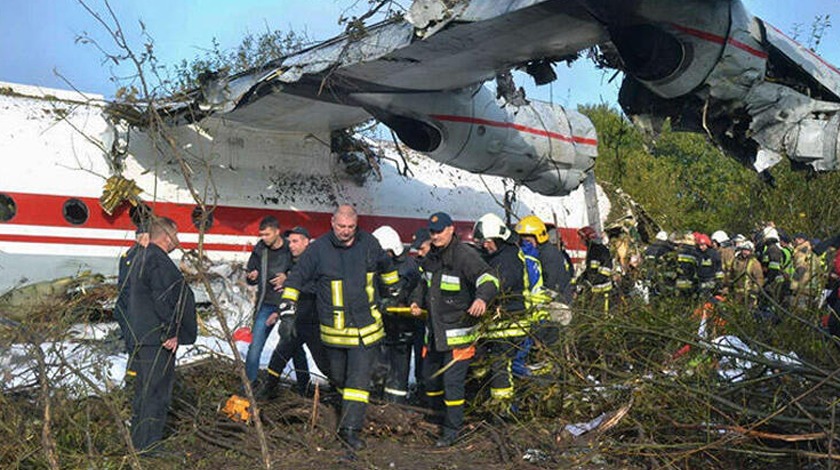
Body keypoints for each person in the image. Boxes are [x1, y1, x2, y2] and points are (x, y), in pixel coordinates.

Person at [279, 205, 399, 451]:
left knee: (357, 382)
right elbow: (296, 278)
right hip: (334, 332)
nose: (346, 232)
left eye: (351, 227)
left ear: (357, 224)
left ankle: (350, 432)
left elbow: (387, 268)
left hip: (367, 329)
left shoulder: (369, 243)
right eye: (341, 226)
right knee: (338, 377)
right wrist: (287, 312)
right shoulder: (318, 250)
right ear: (332, 223)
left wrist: (393, 292)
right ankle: (347, 412)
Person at [410, 211, 498, 447]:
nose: (435, 236)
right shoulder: (431, 258)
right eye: (432, 232)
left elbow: (489, 278)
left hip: (459, 336)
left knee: (452, 385)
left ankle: (451, 431)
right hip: (436, 335)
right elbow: (422, 283)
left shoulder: (464, 256)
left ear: (451, 229)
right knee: (430, 380)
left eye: (439, 231)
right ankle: (437, 417)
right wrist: (416, 301)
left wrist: (482, 299)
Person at [128, 217, 196, 452]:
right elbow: (162, 297)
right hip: (158, 340)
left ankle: (139, 441)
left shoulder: (141, 257)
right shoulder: (157, 261)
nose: (178, 240)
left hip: (144, 336)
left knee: (145, 391)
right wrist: (171, 332)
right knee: (155, 393)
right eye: (176, 234)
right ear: (167, 236)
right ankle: (149, 446)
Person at [258, 226, 330, 399]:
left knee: (324, 363)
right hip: (295, 321)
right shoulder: (292, 262)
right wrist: (278, 312)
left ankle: (340, 389)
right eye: (289, 242)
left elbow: (317, 288)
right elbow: (289, 294)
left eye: (295, 241)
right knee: (280, 355)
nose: (291, 245)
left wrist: (290, 280)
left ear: (306, 242)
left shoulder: (317, 262)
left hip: (314, 321)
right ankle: (269, 390)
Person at [472, 213, 529, 407]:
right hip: (502, 323)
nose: (485, 245)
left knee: (501, 367)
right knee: (495, 366)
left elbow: (500, 286)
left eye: (487, 241)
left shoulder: (506, 260)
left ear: (498, 238)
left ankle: (505, 409)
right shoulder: (501, 255)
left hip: (509, 323)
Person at [372, 225, 422, 404]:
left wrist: (410, 303)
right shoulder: (374, 265)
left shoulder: (409, 266)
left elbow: (415, 289)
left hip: (402, 329)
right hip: (380, 329)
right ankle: (375, 405)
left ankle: (395, 407)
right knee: (377, 372)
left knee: (398, 376)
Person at [244, 216, 292, 384]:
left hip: (288, 305)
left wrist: (288, 278)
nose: (263, 238)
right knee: (255, 347)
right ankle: (250, 385)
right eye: (261, 235)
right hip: (266, 303)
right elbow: (251, 272)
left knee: (294, 346)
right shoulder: (260, 249)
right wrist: (252, 276)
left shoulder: (289, 248)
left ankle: (303, 385)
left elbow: (302, 271)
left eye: (267, 234)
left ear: (277, 232)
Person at [115, 222, 150, 382]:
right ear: (142, 238)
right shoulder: (140, 256)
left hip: (126, 308)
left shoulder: (130, 254)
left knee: (135, 348)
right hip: (132, 310)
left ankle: (133, 383)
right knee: (138, 348)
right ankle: (133, 385)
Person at [515, 215, 573, 303]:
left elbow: (550, 284)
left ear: (539, 237)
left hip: (558, 303)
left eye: (528, 241)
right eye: (522, 241)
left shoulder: (549, 255)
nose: (525, 245)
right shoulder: (540, 252)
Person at [576, 226, 613, 313]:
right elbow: (590, 270)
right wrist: (580, 280)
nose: (580, 241)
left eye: (582, 238)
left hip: (603, 291)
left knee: (604, 316)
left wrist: (590, 282)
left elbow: (605, 271)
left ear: (587, 238)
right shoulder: (591, 250)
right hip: (595, 291)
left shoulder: (601, 251)